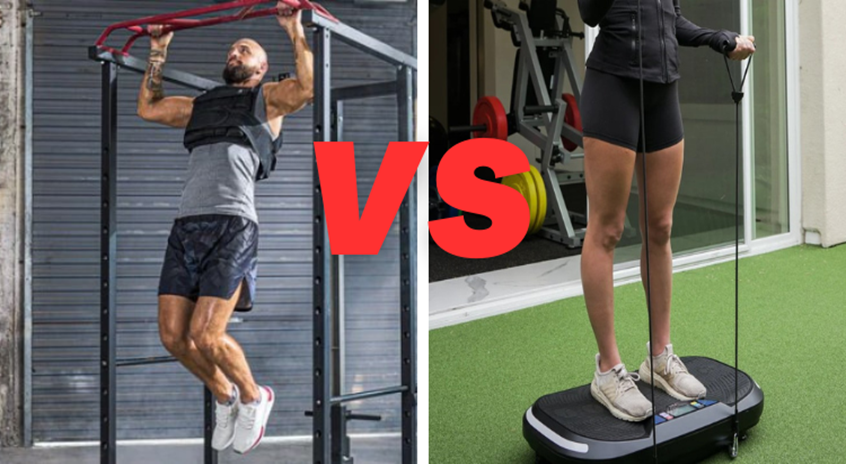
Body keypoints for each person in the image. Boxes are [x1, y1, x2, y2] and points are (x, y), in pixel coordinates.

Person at [136, 2, 314, 454]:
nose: (235, 52)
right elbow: (149, 109)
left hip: (232, 225)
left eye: (245, 48)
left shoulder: (268, 100)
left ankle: (255, 397)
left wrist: (293, 29)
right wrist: (159, 50)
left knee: (207, 334)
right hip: (186, 227)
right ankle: (225, 394)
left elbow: (309, 87)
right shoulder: (200, 106)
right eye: (233, 49)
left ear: (262, 67)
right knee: (173, 336)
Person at [576, 0, 755, 422]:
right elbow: (591, 12)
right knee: (607, 229)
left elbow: (670, 20)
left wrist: (719, 40)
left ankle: (659, 357)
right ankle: (607, 369)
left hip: (663, 90)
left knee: (660, 226)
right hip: (613, 86)